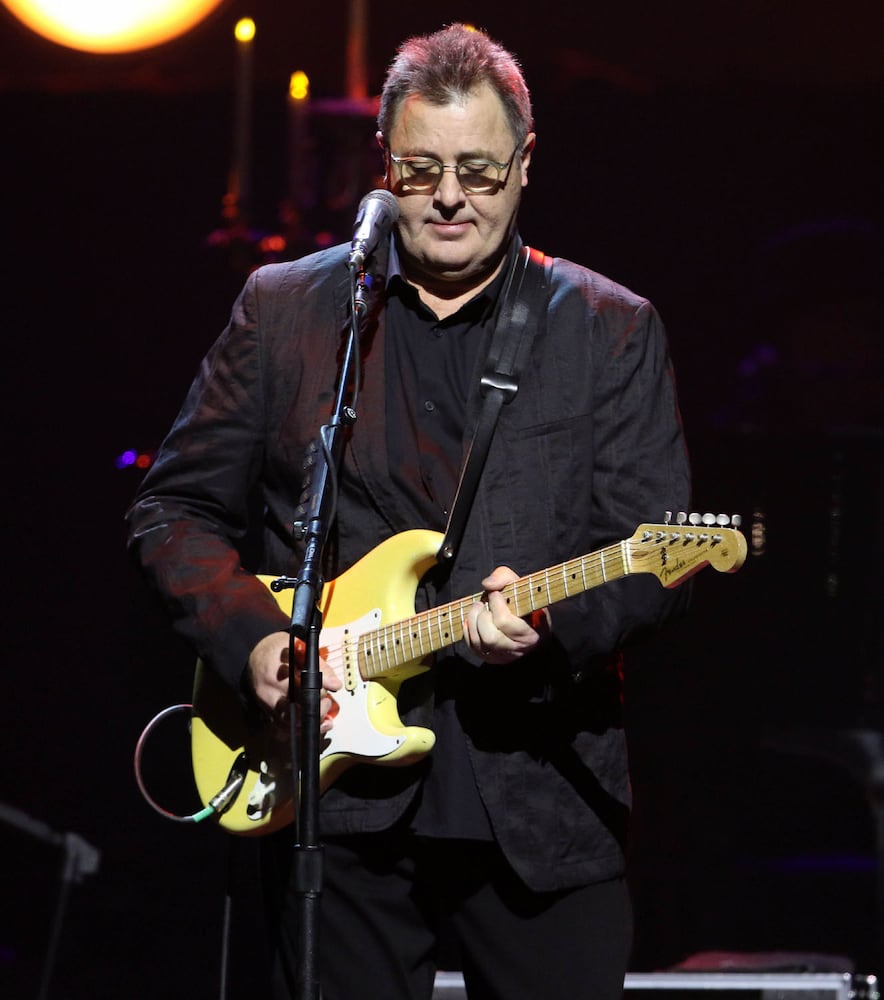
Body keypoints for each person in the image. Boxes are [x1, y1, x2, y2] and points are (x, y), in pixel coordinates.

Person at [127, 23, 690, 1000]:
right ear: (384, 163)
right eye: (423, 169)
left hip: (539, 800)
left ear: (524, 163)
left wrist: (548, 624)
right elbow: (173, 509)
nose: (449, 197)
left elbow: (650, 561)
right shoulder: (289, 310)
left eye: (479, 170)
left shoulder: (608, 328)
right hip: (333, 801)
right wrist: (253, 641)